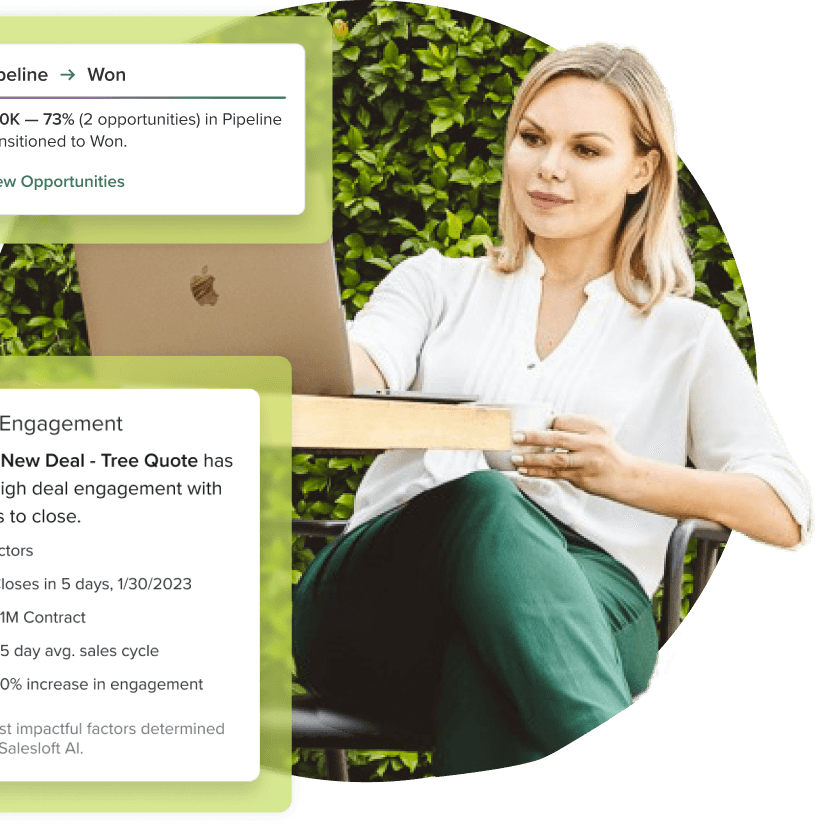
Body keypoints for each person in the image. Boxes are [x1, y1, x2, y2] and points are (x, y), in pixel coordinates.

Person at [292, 43, 814, 777]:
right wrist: (286, 344)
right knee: (481, 498)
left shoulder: (684, 332)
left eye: (586, 148)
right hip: (384, 604)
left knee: (491, 663)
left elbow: (784, 509)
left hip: (590, 605)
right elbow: (359, 365)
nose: (548, 167)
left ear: (643, 169)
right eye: (532, 138)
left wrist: (624, 476)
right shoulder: (435, 285)